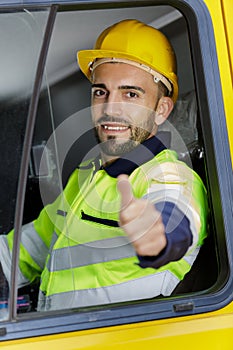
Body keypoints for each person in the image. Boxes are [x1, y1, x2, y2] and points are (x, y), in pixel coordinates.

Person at [0, 19, 208, 311]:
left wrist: (156, 234)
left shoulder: (170, 176)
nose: (111, 108)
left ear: (161, 109)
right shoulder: (87, 178)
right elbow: (26, 250)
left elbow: (174, 220)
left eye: (131, 94)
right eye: (101, 92)